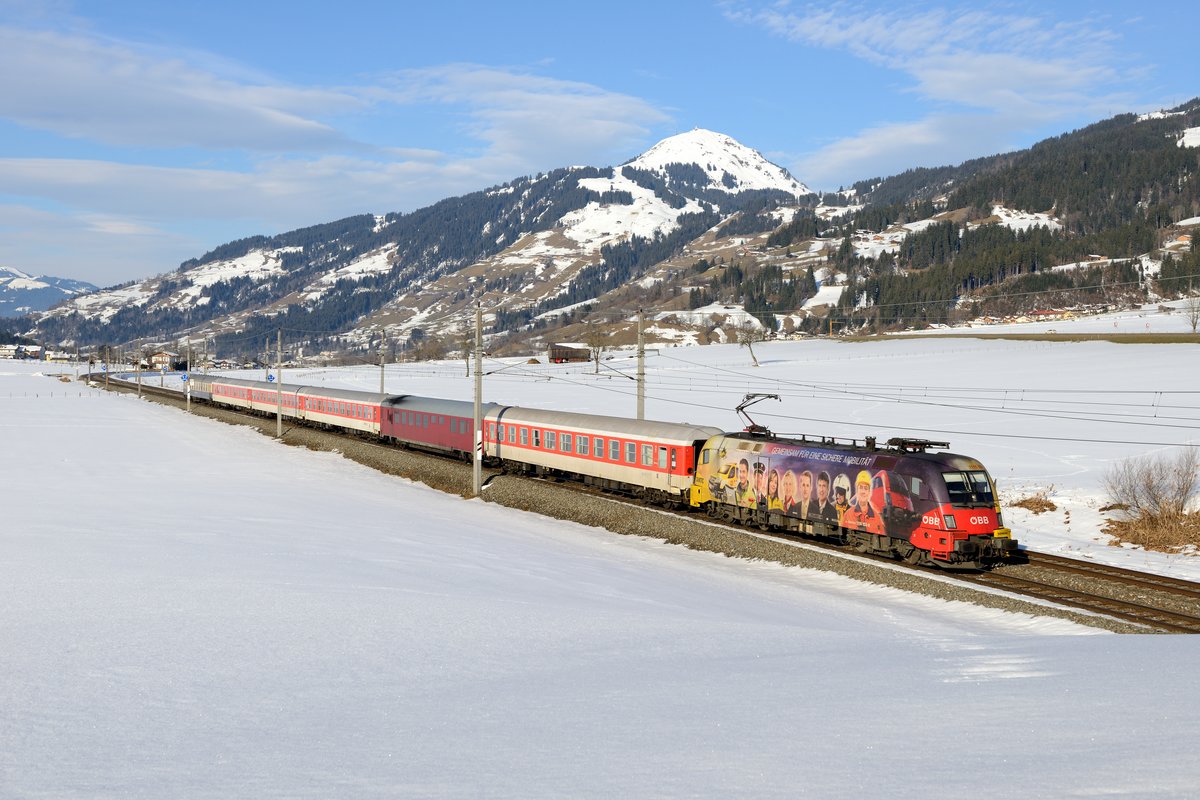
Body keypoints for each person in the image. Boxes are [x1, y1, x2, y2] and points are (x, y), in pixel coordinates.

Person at [841, 469, 883, 534]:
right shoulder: (848, 515)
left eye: (866, 488)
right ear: (857, 491)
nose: (863, 492)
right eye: (860, 487)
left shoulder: (877, 518)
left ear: (869, 492)